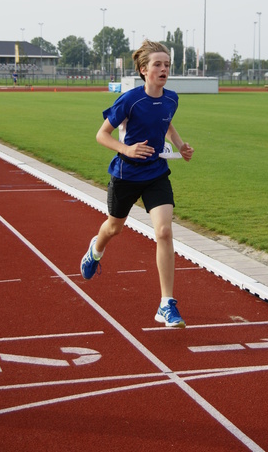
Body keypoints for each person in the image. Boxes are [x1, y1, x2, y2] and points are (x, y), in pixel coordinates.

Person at [80, 40, 194, 328]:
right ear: (144, 70)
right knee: (114, 227)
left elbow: (166, 123)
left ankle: (166, 304)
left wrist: (180, 145)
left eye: (167, 64)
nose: (164, 69)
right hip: (126, 175)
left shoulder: (172, 99)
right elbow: (102, 135)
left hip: (156, 173)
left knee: (165, 232)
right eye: (157, 64)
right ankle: (96, 249)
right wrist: (126, 149)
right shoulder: (129, 100)